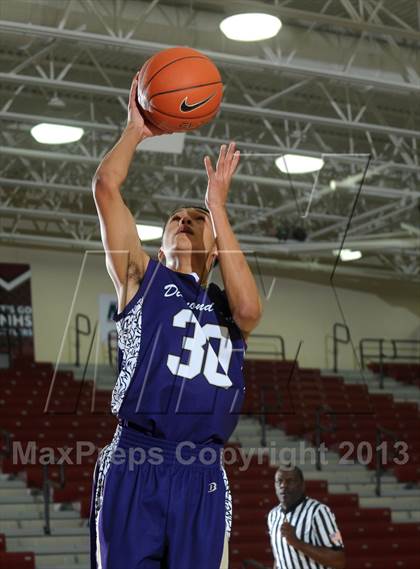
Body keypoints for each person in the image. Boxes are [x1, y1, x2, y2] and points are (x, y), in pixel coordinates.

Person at [88, 71, 262, 569]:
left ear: (215, 251)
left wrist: (218, 207)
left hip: (201, 472)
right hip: (136, 458)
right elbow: (106, 188)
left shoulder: (231, 308)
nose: (184, 220)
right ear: (160, 244)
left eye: (196, 219)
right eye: (175, 218)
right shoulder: (141, 279)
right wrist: (135, 131)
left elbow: (251, 310)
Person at [268, 465, 345, 569]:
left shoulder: (320, 512)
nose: (283, 485)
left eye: (290, 481)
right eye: (279, 481)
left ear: (302, 485)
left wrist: (297, 542)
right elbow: (280, 557)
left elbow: (339, 560)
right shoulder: (273, 516)